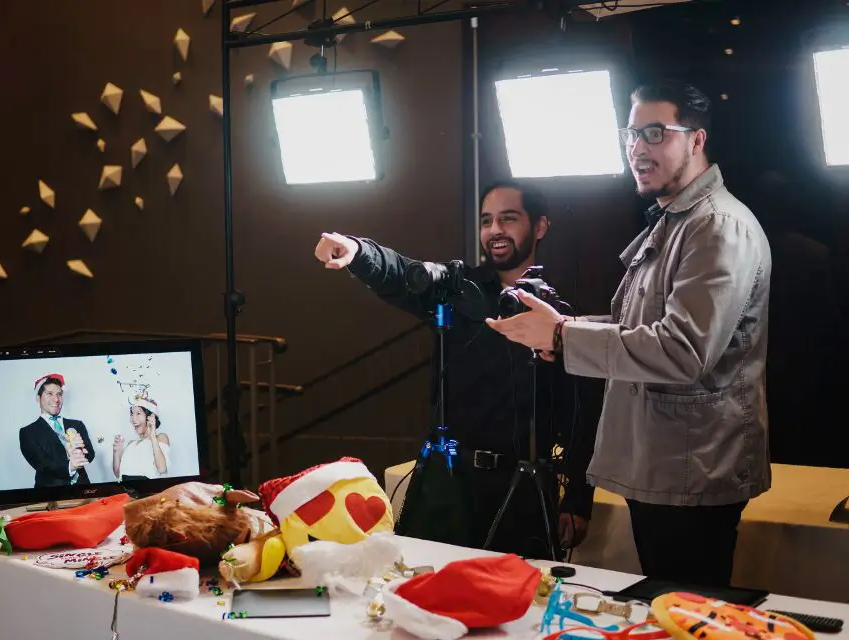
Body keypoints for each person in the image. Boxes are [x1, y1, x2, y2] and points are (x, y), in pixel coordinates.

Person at [486, 80, 771, 587]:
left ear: (697, 140)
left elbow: (683, 351)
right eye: (631, 134)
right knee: (668, 608)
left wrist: (562, 338)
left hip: (693, 468)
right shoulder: (677, 220)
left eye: (655, 133)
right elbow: (641, 329)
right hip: (665, 464)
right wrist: (562, 329)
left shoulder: (717, 226)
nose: (638, 148)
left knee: (688, 612)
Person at [313, 181, 602, 560]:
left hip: (523, 490)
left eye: (508, 218)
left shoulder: (560, 313)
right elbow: (403, 272)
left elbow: (584, 414)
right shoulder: (454, 288)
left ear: (540, 227)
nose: (495, 229)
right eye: (486, 221)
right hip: (447, 481)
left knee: (518, 607)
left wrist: (578, 500)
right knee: (421, 594)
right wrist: (357, 251)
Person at [19, 374, 96, 488]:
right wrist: (71, 466)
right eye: (50, 394)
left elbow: (90, 454)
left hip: (82, 490)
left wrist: (81, 452)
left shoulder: (77, 424)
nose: (56, 399)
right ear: (38, 398)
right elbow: (42, 464)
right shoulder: (28, 432)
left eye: (59, 394)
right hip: (49, 496)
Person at [113, 394, 170, 481]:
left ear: (151, 417)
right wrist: (117, 452)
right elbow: (118, 474)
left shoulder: (160, 438)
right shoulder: (130, 444)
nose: (133, 419)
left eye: (138, 413)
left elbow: (162, 469)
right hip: (126, 490)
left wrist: (152, 436)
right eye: (132, 414)